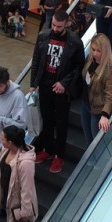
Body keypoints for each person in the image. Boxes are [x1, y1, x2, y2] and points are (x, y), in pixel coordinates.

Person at [29, 9, 84, 174]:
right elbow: (37, 60)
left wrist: (64, 84)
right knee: (46, 119)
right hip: (45, 85)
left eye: (59, 26)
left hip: (62, 89)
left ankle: (59, 155)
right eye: (53, 24)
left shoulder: (75, 42)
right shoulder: (43, 36)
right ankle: (47, 149)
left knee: (61, 123)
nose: (55, 28)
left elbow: (79, 66)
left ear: (66, 24)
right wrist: (33, 84)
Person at [0, 125, 38, 222]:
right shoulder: (5, 150)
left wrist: (24, 214)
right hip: (5, 198)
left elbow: (27, 189)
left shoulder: (25, 162)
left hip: (17, 206)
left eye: (3, 139)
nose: (1, 140)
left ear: (10, 142)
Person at [80, 33, 112, 146]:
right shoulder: (90, 60)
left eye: (99, 50)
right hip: (85, 105)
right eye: (93, 49)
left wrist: (105, 115)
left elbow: (110, 95)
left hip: (97, 111)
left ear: (105, 51)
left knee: (96, 144)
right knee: (88, 141)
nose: (95, 53)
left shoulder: (110, 70)